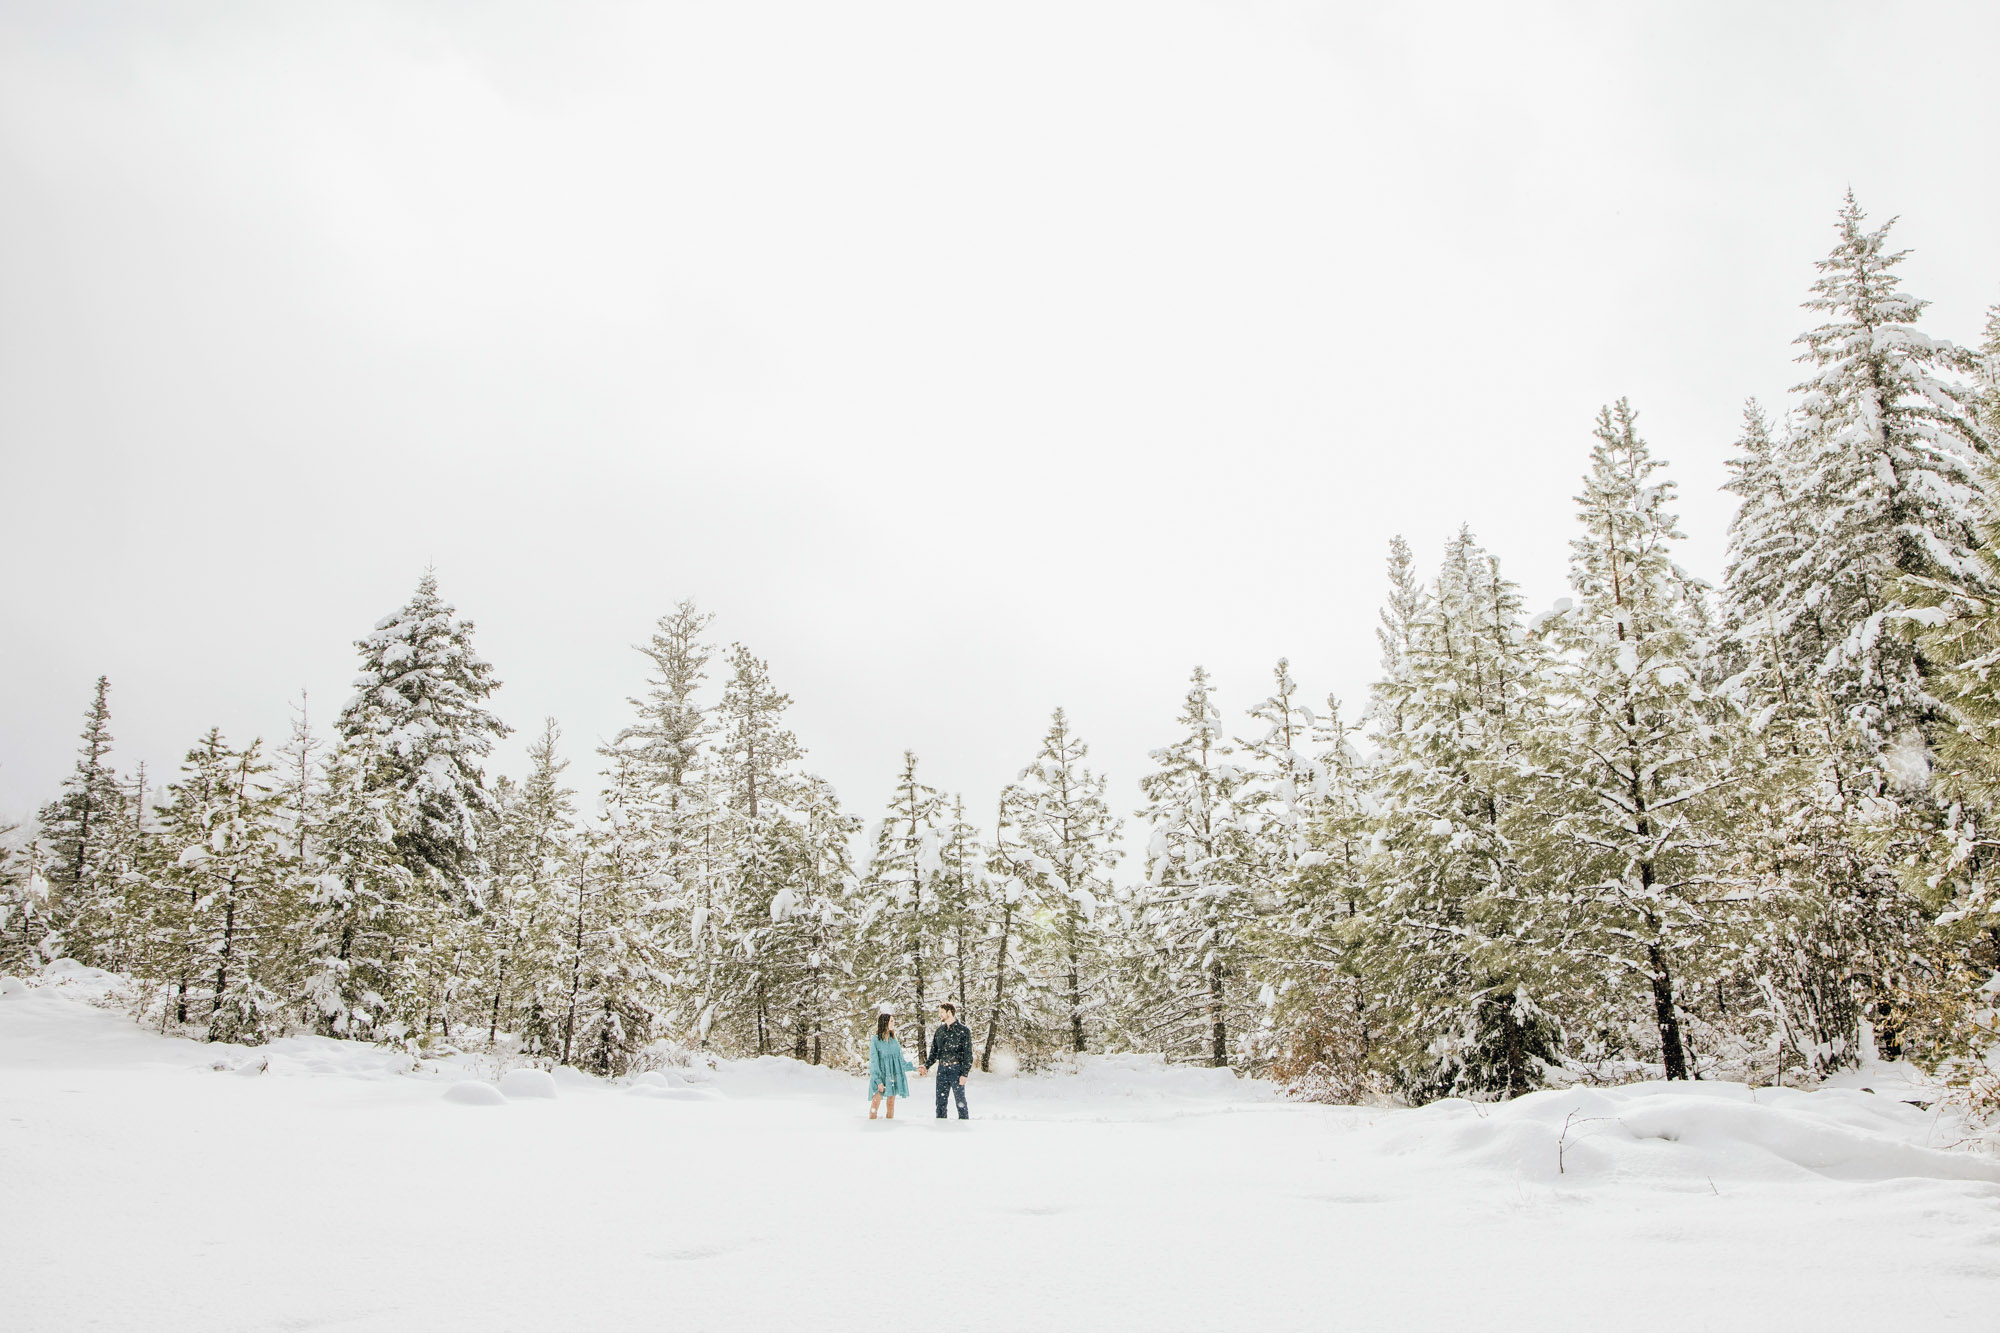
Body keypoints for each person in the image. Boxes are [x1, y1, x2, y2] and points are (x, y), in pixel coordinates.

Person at [920, 1001, 973, 1120]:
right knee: (940, 1103)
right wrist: (926, 1066)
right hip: (942, 1070)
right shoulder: (940, 1031)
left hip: (956, 1069)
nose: (940, 1015)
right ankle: (940, 1127)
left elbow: (968, 1055)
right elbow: (934, 1053)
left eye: (942, 1012)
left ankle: (964, 1126)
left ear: (949, 1013)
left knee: (960, 1102)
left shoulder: (963, 1031)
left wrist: (964, 1074)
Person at [866, 1011, 914, 1119]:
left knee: (891, 1102)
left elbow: (901, 1062)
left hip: (892, 1077)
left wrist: (915, 1068)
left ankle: (889, 1126)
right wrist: (878, 1081)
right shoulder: (875, 1040)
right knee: (875, 1103)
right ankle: (871, 1126)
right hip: (880, 1076)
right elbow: (874, 1062)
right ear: (885, 1023)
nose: (893, 1023)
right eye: (891, 1021)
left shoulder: (894, 1041)